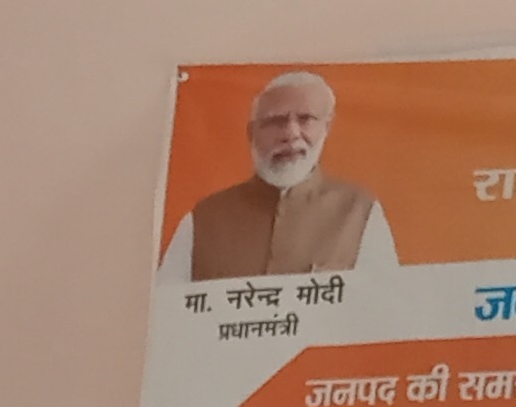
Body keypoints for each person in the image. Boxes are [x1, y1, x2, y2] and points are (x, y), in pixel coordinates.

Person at [160, 69, 395, 280]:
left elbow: (384, 308)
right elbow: (166, 307)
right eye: (275, 121)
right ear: (252, 133)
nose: (291, 134)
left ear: (326, 127)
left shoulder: (359, 212)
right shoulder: (204, 219)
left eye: (305, 119)